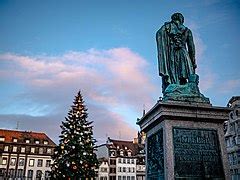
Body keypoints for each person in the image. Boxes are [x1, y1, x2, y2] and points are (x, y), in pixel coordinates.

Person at [156, 13, 197, 92]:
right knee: (188, 77)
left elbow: (159, 34)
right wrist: (193, 61)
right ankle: (184, 91)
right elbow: (191, 48)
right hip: (183, 54)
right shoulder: (187, 30)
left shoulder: (167, 28)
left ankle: (176, 91)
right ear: (181, 20)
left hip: (172, 54)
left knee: (174, 75)